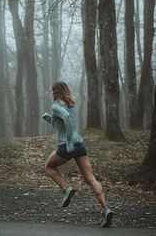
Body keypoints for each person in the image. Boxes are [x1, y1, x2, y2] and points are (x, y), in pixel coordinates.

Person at [42, 81, 113, 228]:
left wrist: (68, 141)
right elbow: (63, 123)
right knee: (91, 179)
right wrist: (49, 118)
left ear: (57, 91)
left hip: (66, 146)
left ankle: (66, 188)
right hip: (79, 145)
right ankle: (105, 210)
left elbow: (66, 119)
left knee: (49, 167)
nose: (52, 93)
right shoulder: (70, 104)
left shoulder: (56, 105)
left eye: (53, 90)